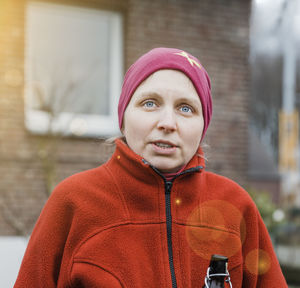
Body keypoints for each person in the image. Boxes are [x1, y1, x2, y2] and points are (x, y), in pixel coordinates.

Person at [14, 47, 287, 287]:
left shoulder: (236, 206)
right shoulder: (73, 202)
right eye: (149, 103)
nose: (167, 122)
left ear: (203, 126)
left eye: (186, 108)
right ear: (123, 118)